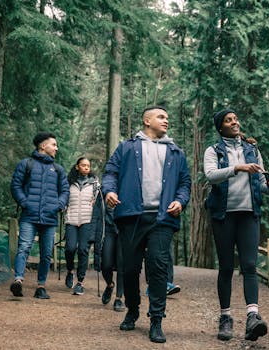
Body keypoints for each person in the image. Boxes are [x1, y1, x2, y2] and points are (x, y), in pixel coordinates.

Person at [102, 106, 191, 343]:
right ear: (146, 120)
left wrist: (180, 201)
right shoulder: (127, 147)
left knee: (158, 266)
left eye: (167, 118)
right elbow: (110, 172)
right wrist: (109, 191)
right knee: (129, 269)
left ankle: (157, 320)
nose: (166, 121)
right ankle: (133, 309)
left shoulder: (175, 152)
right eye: (161, 117)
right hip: (131, 216)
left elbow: (185, 183)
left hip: (162, 219)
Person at [203, 109, 269, 342]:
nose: (234, 122)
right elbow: (211, 175)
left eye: (235, 119)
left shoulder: (252, 149)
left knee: (249, 265)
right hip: (223, 215)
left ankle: (252, 317)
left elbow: (260, 182)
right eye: (228, 120)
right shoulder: (213, 150)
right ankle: (225, 317)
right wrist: (238, 168)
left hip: (249, 214)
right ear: (221, 127)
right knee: (226, 267)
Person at [10, 132, 69, 299]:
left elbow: (65, 191)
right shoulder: (26, 164)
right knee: (24, 247)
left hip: (50, 219)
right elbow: (16, 185)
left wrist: (58, 205)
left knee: (46, 254)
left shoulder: (58, 170)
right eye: (54, 145)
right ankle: (18, 281)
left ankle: (41, 287)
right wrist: (25, 202)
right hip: (29, 216)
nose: (56, 148)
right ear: (43, 146)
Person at [63, 157, 101, 296]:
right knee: (70, 248)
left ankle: (80, 282)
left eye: (88, 166)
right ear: (77, 166)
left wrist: (95, 203)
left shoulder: (95, 183)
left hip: (87, 220)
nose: (86, 168)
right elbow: (64, 197)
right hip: (71, 219)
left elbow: (99, 201)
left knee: (83, 250)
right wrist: (63, 206)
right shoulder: (69, 182)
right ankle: (69, 271)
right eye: (83, 165)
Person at [100, 207, 126, 312]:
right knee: (106, 264)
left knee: (122, 264)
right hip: (108, 227)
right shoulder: (106, 190)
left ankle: (119, 298)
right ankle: (110, 285)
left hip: (125, 227)